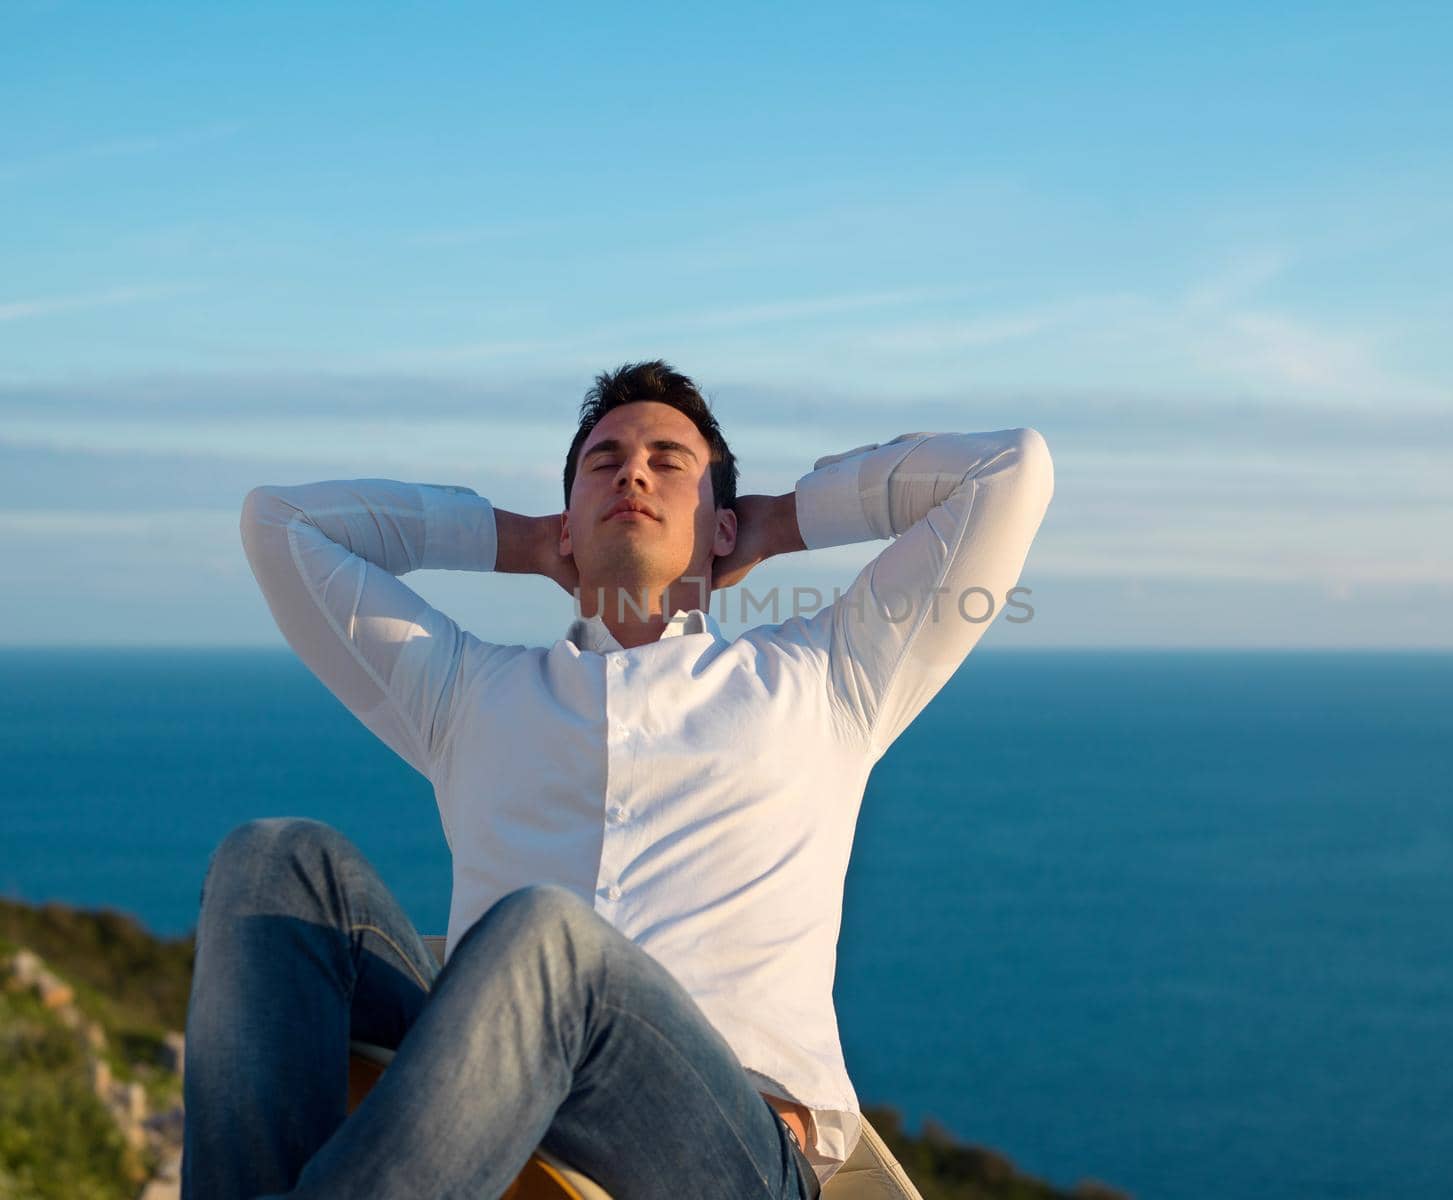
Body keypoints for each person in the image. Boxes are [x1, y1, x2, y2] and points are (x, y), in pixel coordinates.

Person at [185, 360, 1054, 1199]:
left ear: (722, 525)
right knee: (274, 861)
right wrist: (519, 540)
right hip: (484, 1095)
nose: (631, 473)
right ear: (567, 525)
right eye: (604, 463)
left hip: (722, 1151)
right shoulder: (468, 694)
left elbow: (1007, 470)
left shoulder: (825, 677)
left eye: (668, 463)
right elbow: (280, 524)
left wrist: (781, 521)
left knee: (550, 937)